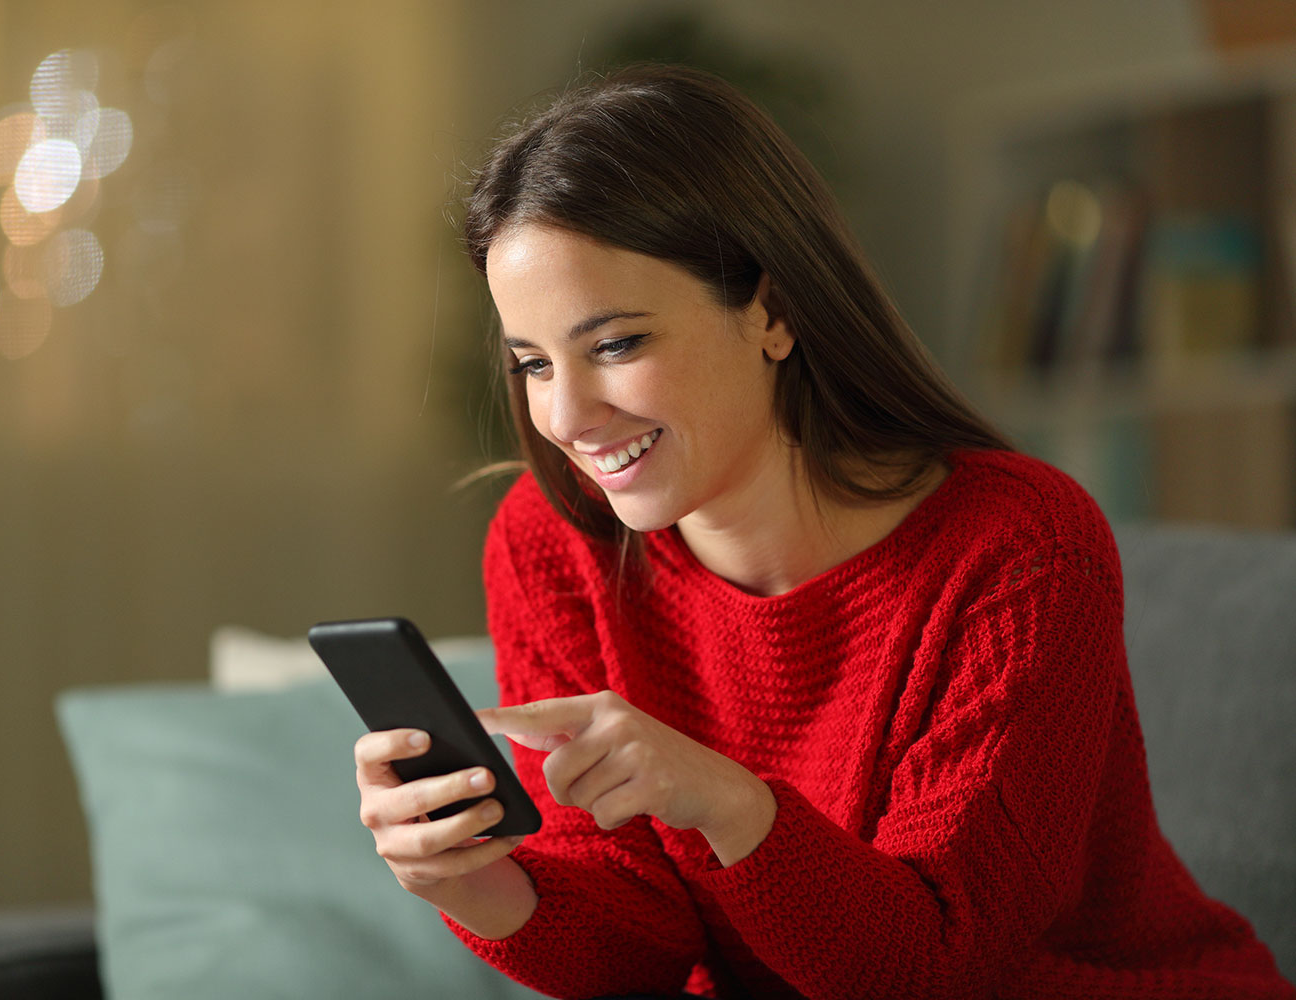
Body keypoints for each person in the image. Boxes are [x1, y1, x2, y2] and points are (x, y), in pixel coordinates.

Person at [351, 64, 1295, 1000]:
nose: (567, 416)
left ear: (772, 310)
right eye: (532, 363)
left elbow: (935, 964)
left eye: (614, 345)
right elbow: (634, 952)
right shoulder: (552, 540)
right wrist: (479, 887)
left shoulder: (1020, 549)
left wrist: (729, 805)